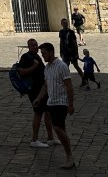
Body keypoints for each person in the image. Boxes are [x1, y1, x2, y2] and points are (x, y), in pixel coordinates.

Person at [35, 42, 76, 170]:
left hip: (61, 102)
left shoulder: (62, 66)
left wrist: (70, 104)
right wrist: (39, 98)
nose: (43, 56)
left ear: (51, 52)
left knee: (57, 127)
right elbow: (46, 85)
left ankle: (69, 156)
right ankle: (69, 155)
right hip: (51, 102)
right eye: (42, 54)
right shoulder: (47, 68)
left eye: (44, 53)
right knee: (61, 129)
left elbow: (69, 85)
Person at [17, 38, 59, 148]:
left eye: (36, 45)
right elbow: (21, 72)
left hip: (43, 89)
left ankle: (50, 138)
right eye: (32, 45)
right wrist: (34, 66)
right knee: (38, 113)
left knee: (48, 112)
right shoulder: (26, 57)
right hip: (35, 90)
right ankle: (34, 139)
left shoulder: (37, 56)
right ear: (28, 47)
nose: (35, 47)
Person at [58, 18, 85, 85]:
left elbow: (75, 42)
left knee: (76, 66)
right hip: (65, 53)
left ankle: (83, 79)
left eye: (66, 23)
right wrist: (61, 51)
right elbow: (61, 42)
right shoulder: (61, 32)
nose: (65, 24)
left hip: (72, 52)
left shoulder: (71, 32)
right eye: (63, 23)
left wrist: (76, 53)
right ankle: (67, 82)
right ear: (61, 24)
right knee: (65, 68)